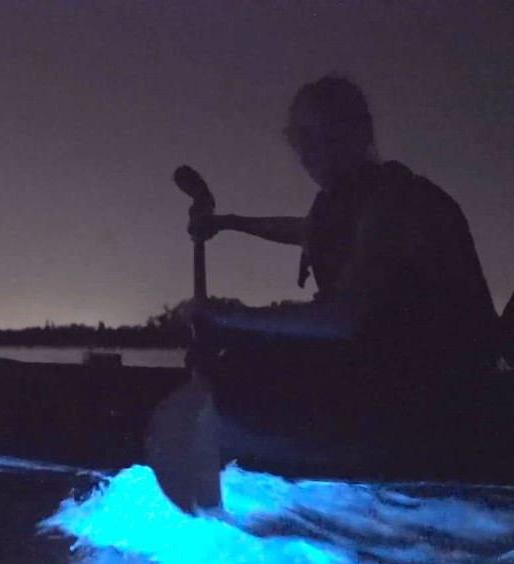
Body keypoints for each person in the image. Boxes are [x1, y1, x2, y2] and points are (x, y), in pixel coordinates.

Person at [185, 76, 498, 382]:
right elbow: (302, 231)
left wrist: (231, 319)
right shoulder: (338, 203)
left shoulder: (396, 198)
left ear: (360, 133)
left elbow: (345, 318)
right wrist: (226, 223)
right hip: (387, 358)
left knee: (245, 369)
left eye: (318, 134)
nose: (305, 152)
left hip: (444, 376)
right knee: (241, 361)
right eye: (297, 138)